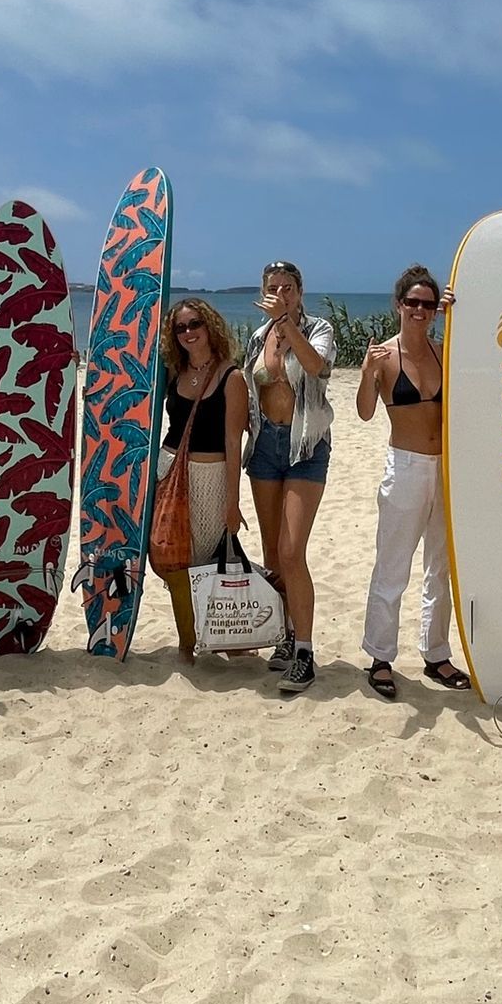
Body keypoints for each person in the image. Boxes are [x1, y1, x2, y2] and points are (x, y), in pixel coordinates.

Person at [355, 266, 473, 698]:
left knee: (440, 568)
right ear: (399, 304)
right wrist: (368, 372)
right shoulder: (384, 356)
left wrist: (467, 308)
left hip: (447, 468)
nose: (420, 310)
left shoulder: (446, 351)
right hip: (404, 466)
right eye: (413, 302)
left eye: (429, 304)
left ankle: (436, 654)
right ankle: (381, 656)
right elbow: (365, 411)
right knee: (392, 565)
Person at [242, 259, 336, 693]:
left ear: (300, 291)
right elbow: (248, 388)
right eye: (273, 287)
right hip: (265, 448)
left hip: (306, 448)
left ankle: (305, 651)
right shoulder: (259, 337)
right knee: (273, 553)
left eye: (288, 288)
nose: (281, 293)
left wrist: (286, 322)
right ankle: (283, 635)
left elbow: (317, 366)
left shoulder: (318, 329)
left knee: (293, 549)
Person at [157, 299, 250, 661]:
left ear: (210, 325)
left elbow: (232, 442)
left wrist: (233, 501)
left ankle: (220, 635)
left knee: (206, 561)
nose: (188, 333)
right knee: (171, 558)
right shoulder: (173, 372)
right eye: (180, 328)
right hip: (169, 473)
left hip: (211, 476)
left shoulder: (232, 376)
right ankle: (187, 639)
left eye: (194, 324)